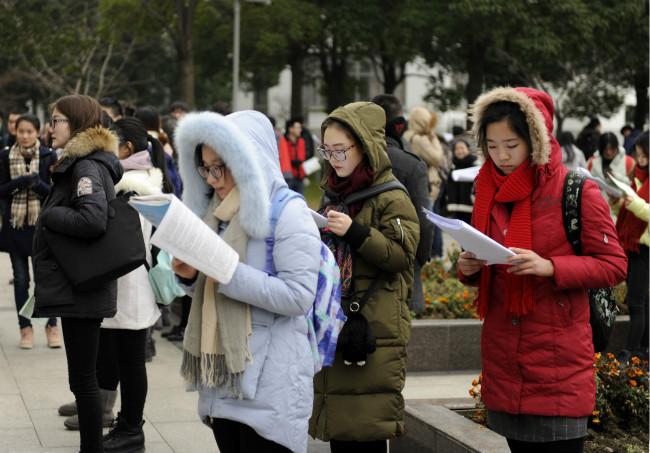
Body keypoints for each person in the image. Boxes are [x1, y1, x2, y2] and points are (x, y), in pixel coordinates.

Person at [457, 87, 627, 453]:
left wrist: (550, 267)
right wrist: (469, 266)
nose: (500, 156)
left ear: (536, 140)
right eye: (492, 144)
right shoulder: (487, 189)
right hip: (505, 357)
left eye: (511, 145)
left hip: (558, 363)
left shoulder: (576, 189)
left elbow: (614, 265)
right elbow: (487, 258)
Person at [172, 110, 321, 453]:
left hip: (270, 384)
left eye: (219, 166)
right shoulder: (216, 214)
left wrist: (226, 272)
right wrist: (190, 277)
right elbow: (213, 290)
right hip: (223, 382)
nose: (212, 178)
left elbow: (299, 296)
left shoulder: (288, 213)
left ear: (247, 160)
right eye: (205, 168)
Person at [309, 102, 419, 453]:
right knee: (343, 430)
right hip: (338, 323)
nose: (333, 158)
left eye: (340, 150)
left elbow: (403, 255)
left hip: (374, 329)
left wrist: (356, 232)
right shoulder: (335, 193)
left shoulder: (392, 196)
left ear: (365, 147)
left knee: (365, 430)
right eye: (327, 150)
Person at [32, 94, 123, 453]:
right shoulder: (80, 163)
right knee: (82, 377)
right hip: (79, 285)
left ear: (77, 124)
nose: (49, 128)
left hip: (83, 287)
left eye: (56, 120)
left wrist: (49, 215)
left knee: (84, 380)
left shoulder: (86, 167)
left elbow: (92, 219)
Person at [0, 114, 60, 349]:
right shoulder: (5, 156)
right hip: (15, 227)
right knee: (21, 280)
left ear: (37, 133)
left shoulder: (48, 155)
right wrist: (19, 183)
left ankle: (51, 326)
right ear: (15, 131)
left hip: (42, 228)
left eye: (30, 132)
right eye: (21, 131)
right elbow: (1, 190)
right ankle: (25, 329)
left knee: (45, 280)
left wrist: (37, 183)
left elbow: (56, 193)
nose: (25, 136)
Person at [372, 94, 432, 313]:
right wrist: (419, 259)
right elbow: (424, 220)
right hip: (404, 261)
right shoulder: (411, 165)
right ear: (399, 125)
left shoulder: (351, 159)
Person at [613, 131, 649, 363]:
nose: (640, 158)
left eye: (644, 154)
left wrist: (633, 203)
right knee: (642, 301)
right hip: (633, 246)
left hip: (643, 248)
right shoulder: (637, 176)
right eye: (638, 154)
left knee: (636, 302)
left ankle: (632, 351)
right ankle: (643, 350)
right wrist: (617, 203)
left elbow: (645, 210)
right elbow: (626, 214)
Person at [403, 106, 447, 258]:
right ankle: (435, 256)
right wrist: (434, 138)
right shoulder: (420, 140)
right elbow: (438, 158)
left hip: (416, 185)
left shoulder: (407, 136)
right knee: (433, 223)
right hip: (429, 185)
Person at [587, 132, 635, 219]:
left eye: (612, 149)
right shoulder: (592, 162)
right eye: (606, 149)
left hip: (621, 211)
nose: (609, 152)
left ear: (616, 147)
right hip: (597, 211)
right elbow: (586, 184)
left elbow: (633, 186)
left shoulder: (629, 162)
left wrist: (615, 176)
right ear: (601, 149)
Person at [444, 137, 478, 224]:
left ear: (468, 149)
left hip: (471, 208)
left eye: (462, 148)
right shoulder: (452, 167)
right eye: (457, 149)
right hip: (455, 208)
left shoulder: (475, 166)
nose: (459, 151)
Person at [278, 117, 307, 194]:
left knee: (300, 200)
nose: (300, 130)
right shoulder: (283, 141)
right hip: (288, 177)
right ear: (291, 129)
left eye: (300, 127)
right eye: (297, 128)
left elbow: (302, 157)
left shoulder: (301, 141)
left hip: (300, 176)